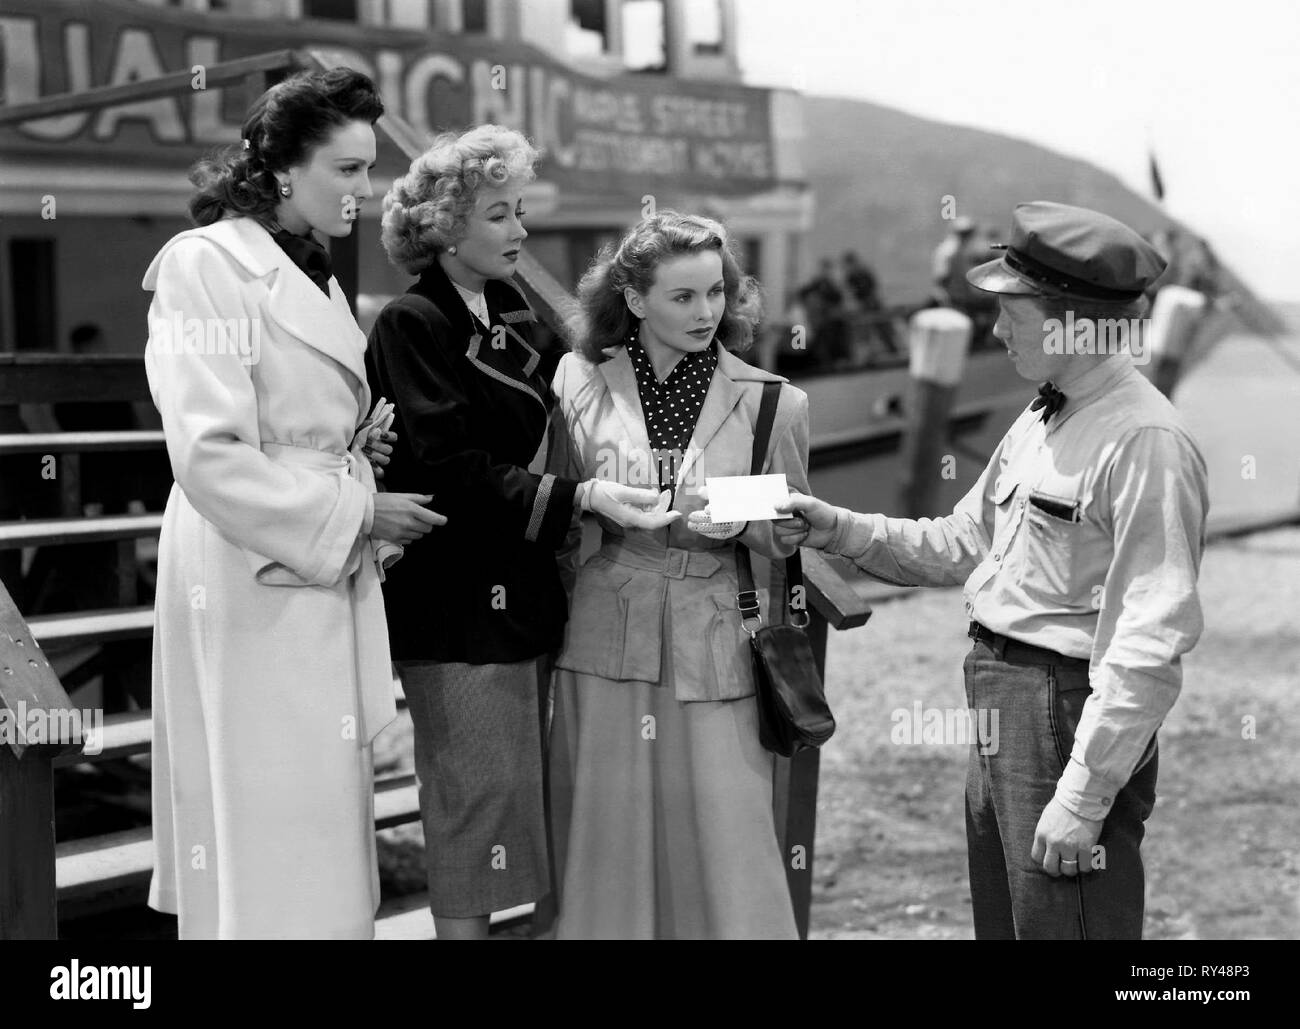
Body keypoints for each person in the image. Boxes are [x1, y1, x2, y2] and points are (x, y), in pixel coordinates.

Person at [778, 202, 1209, 940]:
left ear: (1075, 322)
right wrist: (837, 526)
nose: (997, 329)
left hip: (1063, 708)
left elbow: (1150, 637)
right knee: (1011, 925)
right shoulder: (1044, 415)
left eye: (1013, 312)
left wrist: (1084, 791)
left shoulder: (1144, 441)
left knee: (1067, 925)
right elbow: (963, 542)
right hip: (1004, 698)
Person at [143, 68, 444, 939]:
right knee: (266, 816)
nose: (365, 189)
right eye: (346, 170)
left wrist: (353, 452)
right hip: (245, 573)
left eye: (367, 168)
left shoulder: (311, 275)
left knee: (315, 810)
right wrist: (357, 511)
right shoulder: (204, 266)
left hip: (306, 562)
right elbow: (209, 453)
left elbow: (294, 428)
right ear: (282, 168)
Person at [365, 125, 673, 941]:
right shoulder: (412, 321)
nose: (520, 231)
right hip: (459, 603)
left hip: (524, 592)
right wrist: (582, 497)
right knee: (475, 797)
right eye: (500, 215)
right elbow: (447, 467)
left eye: (520, 211)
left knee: (530, 794)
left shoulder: (506, 312)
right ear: (445, 226)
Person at [546, 210, 810, 939]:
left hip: (716, 631)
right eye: (683, 296)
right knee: (608, 840)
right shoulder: (576, 380)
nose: (706, 312)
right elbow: (557, 503)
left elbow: (791, 525)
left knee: (731, 842)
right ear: (634, 300)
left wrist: (723, 509)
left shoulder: (774, 400)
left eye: (715, 293)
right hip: (604, 632)